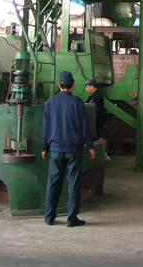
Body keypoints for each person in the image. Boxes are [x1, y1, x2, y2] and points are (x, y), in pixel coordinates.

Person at [41, 70, 96, 227]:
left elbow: (45, 127)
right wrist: (90, 146)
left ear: (59, 85)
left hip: (56, 150)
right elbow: (85, 126)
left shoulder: (50, 103)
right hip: (74, 149)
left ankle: (49, 216)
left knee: (53, 182)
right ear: (72, 85)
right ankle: (72, 217)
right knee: (73, 182)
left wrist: (44, 147)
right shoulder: (77, 103)